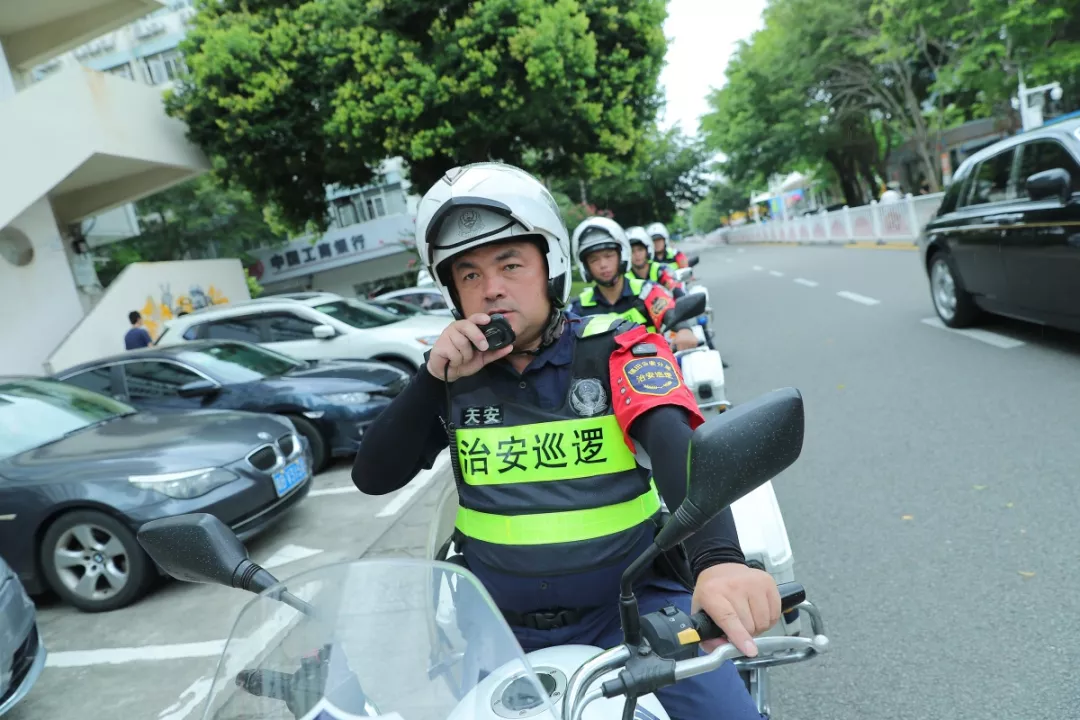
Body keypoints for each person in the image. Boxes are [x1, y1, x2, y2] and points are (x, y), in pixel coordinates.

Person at [352, 162, 778, 720]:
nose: (491, 288)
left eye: (510, 265)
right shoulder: (454, 378)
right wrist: (431, 379)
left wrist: (718, 561)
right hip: (499, 634)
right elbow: (373, 476)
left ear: (551, 264)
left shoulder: (615, 349)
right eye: (469, 275)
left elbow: (679, 449)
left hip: (635, 615)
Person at [568, 217, 698, 352]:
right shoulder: (578, 307)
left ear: (621, 255)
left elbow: (668, 311)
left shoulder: (646, 290)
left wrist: (684, 330)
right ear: (585, 266)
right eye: (594, 260)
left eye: (609, 256)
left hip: (651, 363)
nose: (603, 265)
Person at [626, 225, 684, 295]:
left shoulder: (661, 270)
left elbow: (676, 290)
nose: (637, 254)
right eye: (632, 251)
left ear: (647, 250)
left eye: (640, 250)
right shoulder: (625, 278)